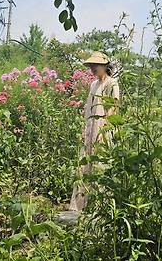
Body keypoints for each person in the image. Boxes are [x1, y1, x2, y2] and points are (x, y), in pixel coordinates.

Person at [68, 51, 120, 212]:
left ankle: (100, 206)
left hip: (103, 127)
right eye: (91, 66)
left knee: (101, 162)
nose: (93, 69)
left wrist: (105, 128)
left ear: (105, 66)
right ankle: (83, 204)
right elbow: (89, 107)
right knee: (87, 163)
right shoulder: (93, 84)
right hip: (91, 126)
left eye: (95, 65)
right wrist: (85, 128)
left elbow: (114, 106)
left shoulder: (112, 83)